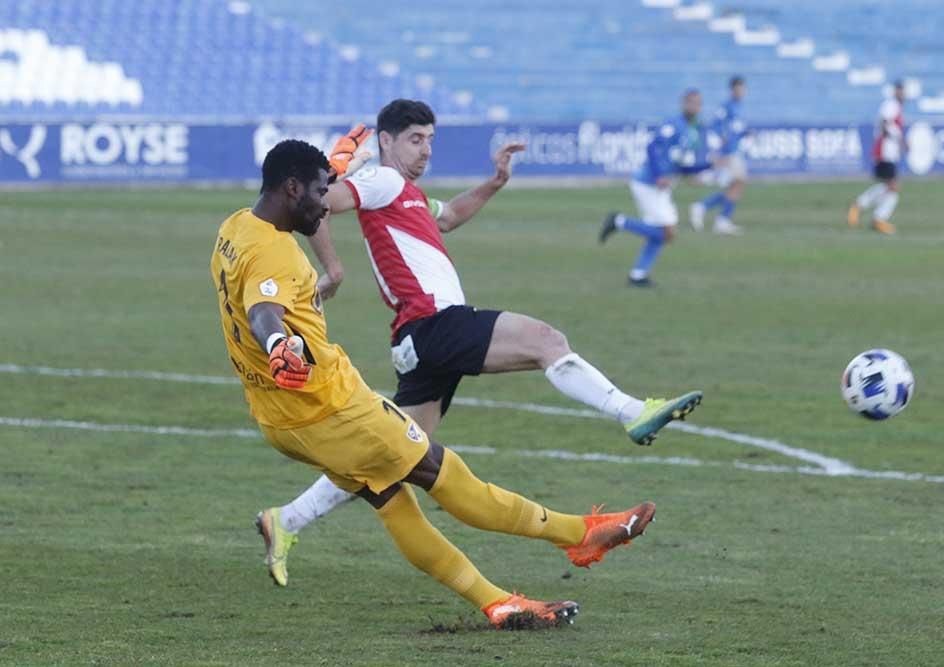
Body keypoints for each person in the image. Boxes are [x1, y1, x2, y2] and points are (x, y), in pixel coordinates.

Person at [212, 138, 657, 628]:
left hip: (281, 418)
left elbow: (263, 291)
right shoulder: (275, 254)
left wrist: (336, 168)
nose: (326, 204)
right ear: (292, 189)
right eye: (320, 192)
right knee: (443, 474)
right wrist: (279, 346)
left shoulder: (236, 228)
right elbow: (264, 313)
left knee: (392, 501)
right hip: (331, 408)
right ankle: (579, 535)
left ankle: (497, 603)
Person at [599, 88, 720, 286]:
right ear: (683, 103)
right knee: (667, 232)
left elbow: (681, 166)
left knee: (663, 233)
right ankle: (619, 222)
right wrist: (658, 175)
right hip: (647, 183)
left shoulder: (692, 131)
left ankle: (638, 275)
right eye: (691, 102)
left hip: (661, 188)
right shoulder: (673, 125)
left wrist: (708, 165)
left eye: (698, 103)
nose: (695, 106)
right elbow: (652, 147)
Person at [690, 75, 749, 235]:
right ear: (733, 89)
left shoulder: (739, 107)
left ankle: (705, 209)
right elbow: (715, 125)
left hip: (736, 150)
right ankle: (718, 217)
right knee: (738, 183)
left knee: (735, 186)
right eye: (739, 88)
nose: (742, 91)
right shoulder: (727, 106)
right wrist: (722, 137)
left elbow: (735, 128)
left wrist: (745, 133)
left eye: (743, 88)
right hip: (729, 152)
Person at [848, 80, 906, 235]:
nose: (903, 94)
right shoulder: (891, 105)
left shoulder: (897, 107)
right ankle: (874, 216)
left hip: (890, 151)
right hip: (884, 150)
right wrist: (900, 139)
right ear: (895, 92)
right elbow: (885, 122)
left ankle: (865, 209)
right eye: (900, 91)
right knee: (893, 186)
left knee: (891, 186)